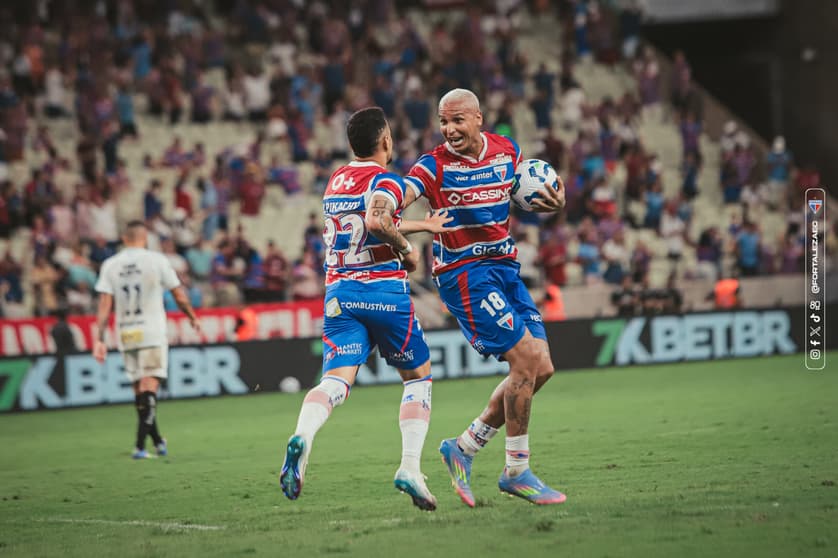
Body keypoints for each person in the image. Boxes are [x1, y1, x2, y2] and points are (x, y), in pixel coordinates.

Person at [279, 107, 452, 510]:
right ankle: (410, 467)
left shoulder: (336, 181)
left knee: (335, 381)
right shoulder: (386, 179)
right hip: (384, 293)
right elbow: (376, 223)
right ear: (386, 141)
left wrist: (422, 226)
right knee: (417, 379)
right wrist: (409, 250)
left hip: (339, 293)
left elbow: (366, 221)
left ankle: (303, 439)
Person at [404, 89, 567, 506]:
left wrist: (554, 200)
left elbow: (525, 191)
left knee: (542, 367)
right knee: (525, 360)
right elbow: (402, 196)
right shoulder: (433, 165)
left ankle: (463, 447)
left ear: (478, 118)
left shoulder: (507, 151)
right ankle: (517, 471)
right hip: (465, 275)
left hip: (505, 269)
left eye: (458, 120)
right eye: (444, 122)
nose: (450, 129)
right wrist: (408, 215)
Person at [92, 221, 202, 459]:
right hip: (151, 331)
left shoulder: (110, 264)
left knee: (139, 391)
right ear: (145, 237)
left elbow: (104, 305)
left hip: (126, 333)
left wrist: (99, 338)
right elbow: (178, 294)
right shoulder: (157, 260)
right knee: (149, 387)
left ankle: (158, 441)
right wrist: (191, 316)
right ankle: (140, 447)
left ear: (123, 237)